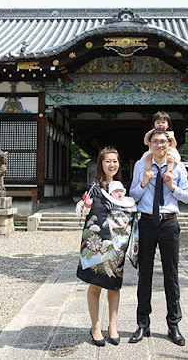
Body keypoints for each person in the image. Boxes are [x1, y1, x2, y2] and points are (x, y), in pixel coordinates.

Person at [129, 128, 188, 346]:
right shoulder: (140, 165)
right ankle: (142, 324)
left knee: (171, 275)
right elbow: (132, 196)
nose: (159, 145)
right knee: (144, 274)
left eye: (163, 141)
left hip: (169, 222)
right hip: (146, 220)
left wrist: (172, 186)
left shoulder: (179, 167)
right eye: (155, 141)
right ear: (149, 144)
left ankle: (173, 325)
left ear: (169, 144)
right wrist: (144, 182)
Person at [76, 147, 135, 347]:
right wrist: (84, 204)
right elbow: (82, 209)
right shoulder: (94, 185)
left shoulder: (121, 187)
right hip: (98, 244)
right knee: (95, 285)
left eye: (115, 161)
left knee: (114, 285)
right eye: (108, 161)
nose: (112, 164)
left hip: (117, 245)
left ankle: (113, 327)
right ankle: (95, 326)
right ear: (101, 163)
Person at [142, 111, 181, 177]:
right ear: (153, 124)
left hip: (168, 151)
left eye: (163, 122)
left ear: (168, 124)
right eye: (158, 122)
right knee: (148, 157)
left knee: (171, 159)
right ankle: (148, 170)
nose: (160, 124)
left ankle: (169, 171)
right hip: (154, 151)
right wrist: (147, 135)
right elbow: (146, 143)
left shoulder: (170, 133)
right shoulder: (151, 133)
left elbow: (174, 145)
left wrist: (172, 138)